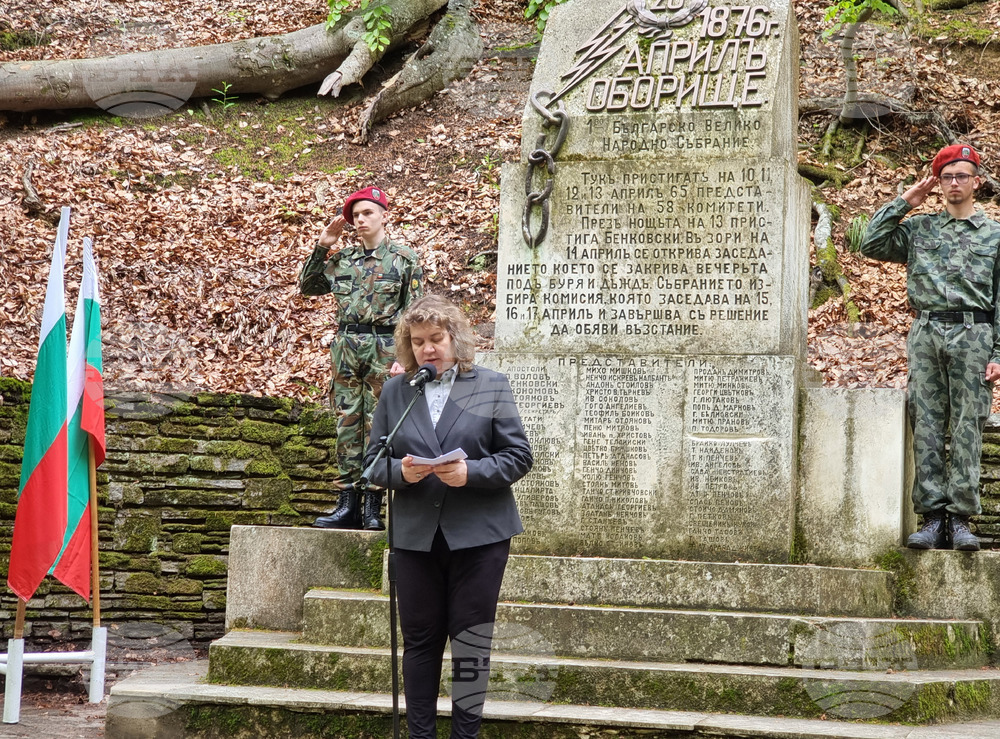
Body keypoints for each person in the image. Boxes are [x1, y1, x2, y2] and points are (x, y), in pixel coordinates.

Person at [363, 295, 533, 739]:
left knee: (471, 643)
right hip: (415, 537)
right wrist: (398, 471)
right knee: (419, 642)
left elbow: (518, 457)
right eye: (417, 342)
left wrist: (470, 472)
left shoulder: (491, 385)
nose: (427, 349)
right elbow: (372, 464)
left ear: (455, 339)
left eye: (436, 339)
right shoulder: (397, 390)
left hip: (480, 537)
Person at [860, 144, 1000, 551]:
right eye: (946, 177)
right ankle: (932, 518)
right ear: (938, 184)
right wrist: (904, 202)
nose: (954, 183)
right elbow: (870, 243)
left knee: (967, 424)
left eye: (961, 176)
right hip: (926, 333)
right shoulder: (920, 230)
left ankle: (959, 520)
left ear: (977, 181)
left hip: (974, 334)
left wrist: (998, 353)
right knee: (925, 422)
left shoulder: (994, 235)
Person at [300, 186, 423, 530]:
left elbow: (415, 312)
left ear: (385, 215)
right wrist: (323, 244)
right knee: (346, 422)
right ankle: (346, 504)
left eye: (368, 212)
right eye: (355, 215)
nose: (360, 220)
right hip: (346, 347)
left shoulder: (404, 259)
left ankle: (372, 505)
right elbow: (308, 287)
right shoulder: (342, 260)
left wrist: (408, 358)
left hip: (386, 347)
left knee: (379, 426)